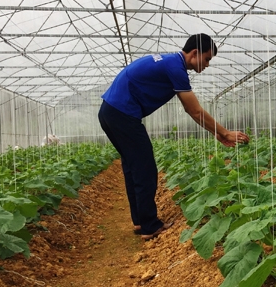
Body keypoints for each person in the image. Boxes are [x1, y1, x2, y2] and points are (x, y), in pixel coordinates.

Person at [98, 33, 249, 241]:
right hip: (121, 114)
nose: (207, 65)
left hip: (110, 112)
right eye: (207, 59)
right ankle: (150, 225)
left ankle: (141, 220)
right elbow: (194, 111)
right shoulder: (175, 68)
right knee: (144, 167)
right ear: (195, 53)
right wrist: (224, 132)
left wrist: (217, 132)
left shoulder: (170, 62)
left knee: (133, 166)